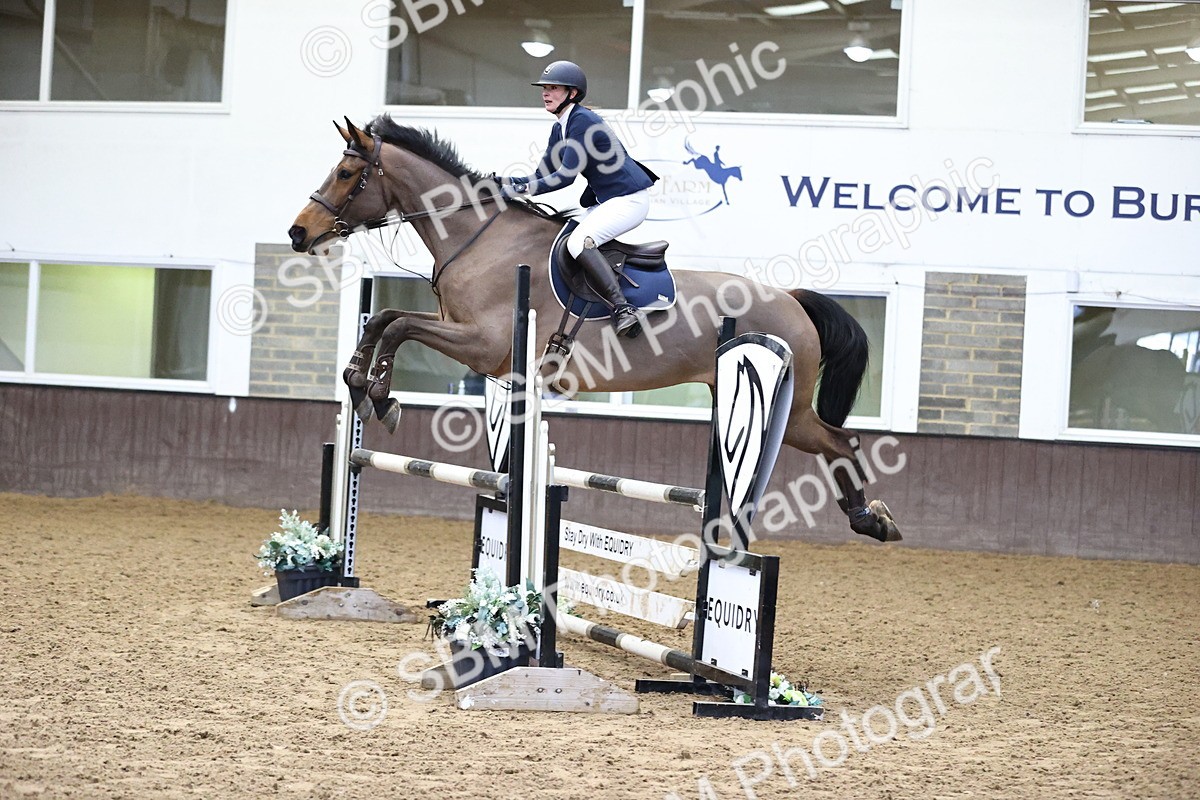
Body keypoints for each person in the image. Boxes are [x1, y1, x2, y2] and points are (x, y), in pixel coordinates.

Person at [499, 60, 657, 337]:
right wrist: (504, 182)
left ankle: (623, 308)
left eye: (553, 89)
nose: (545, 94)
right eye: (544, 88)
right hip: (608, 201)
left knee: (578, 243)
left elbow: (564, 177)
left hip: (628, 200)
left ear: (572, 94)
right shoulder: (561, 127)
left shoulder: (582, 121)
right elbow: (541, 175)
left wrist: (517, 190)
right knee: (562, 236)